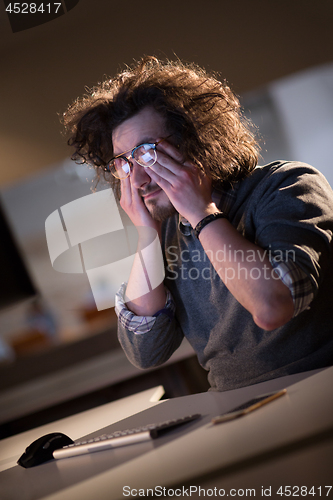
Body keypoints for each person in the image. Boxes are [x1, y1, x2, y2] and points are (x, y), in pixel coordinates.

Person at [63, 56, 333, 391]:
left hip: (318, 388)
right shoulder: (167, 234)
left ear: (198, 139)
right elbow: (146, 352)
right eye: (126, 163)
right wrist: (147, 234)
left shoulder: (287, 184)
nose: (139, 178)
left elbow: (271, 307)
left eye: (148, 153)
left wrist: (202, 213)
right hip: (235, 409)